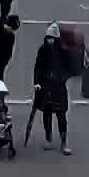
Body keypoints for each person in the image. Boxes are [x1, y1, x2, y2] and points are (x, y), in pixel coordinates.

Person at [29, 22, 72, 154]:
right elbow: (38, 67)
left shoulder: (64, 51)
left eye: (52, 38)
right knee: (47, 113)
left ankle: (64, 143)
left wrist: (62, 78)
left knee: (61, 115)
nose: (50, 40)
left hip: (58, 88)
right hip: (46, 87)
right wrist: (36, 82)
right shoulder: (43, 50)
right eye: (48, 38)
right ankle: (48, 138)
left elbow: (69, 68)